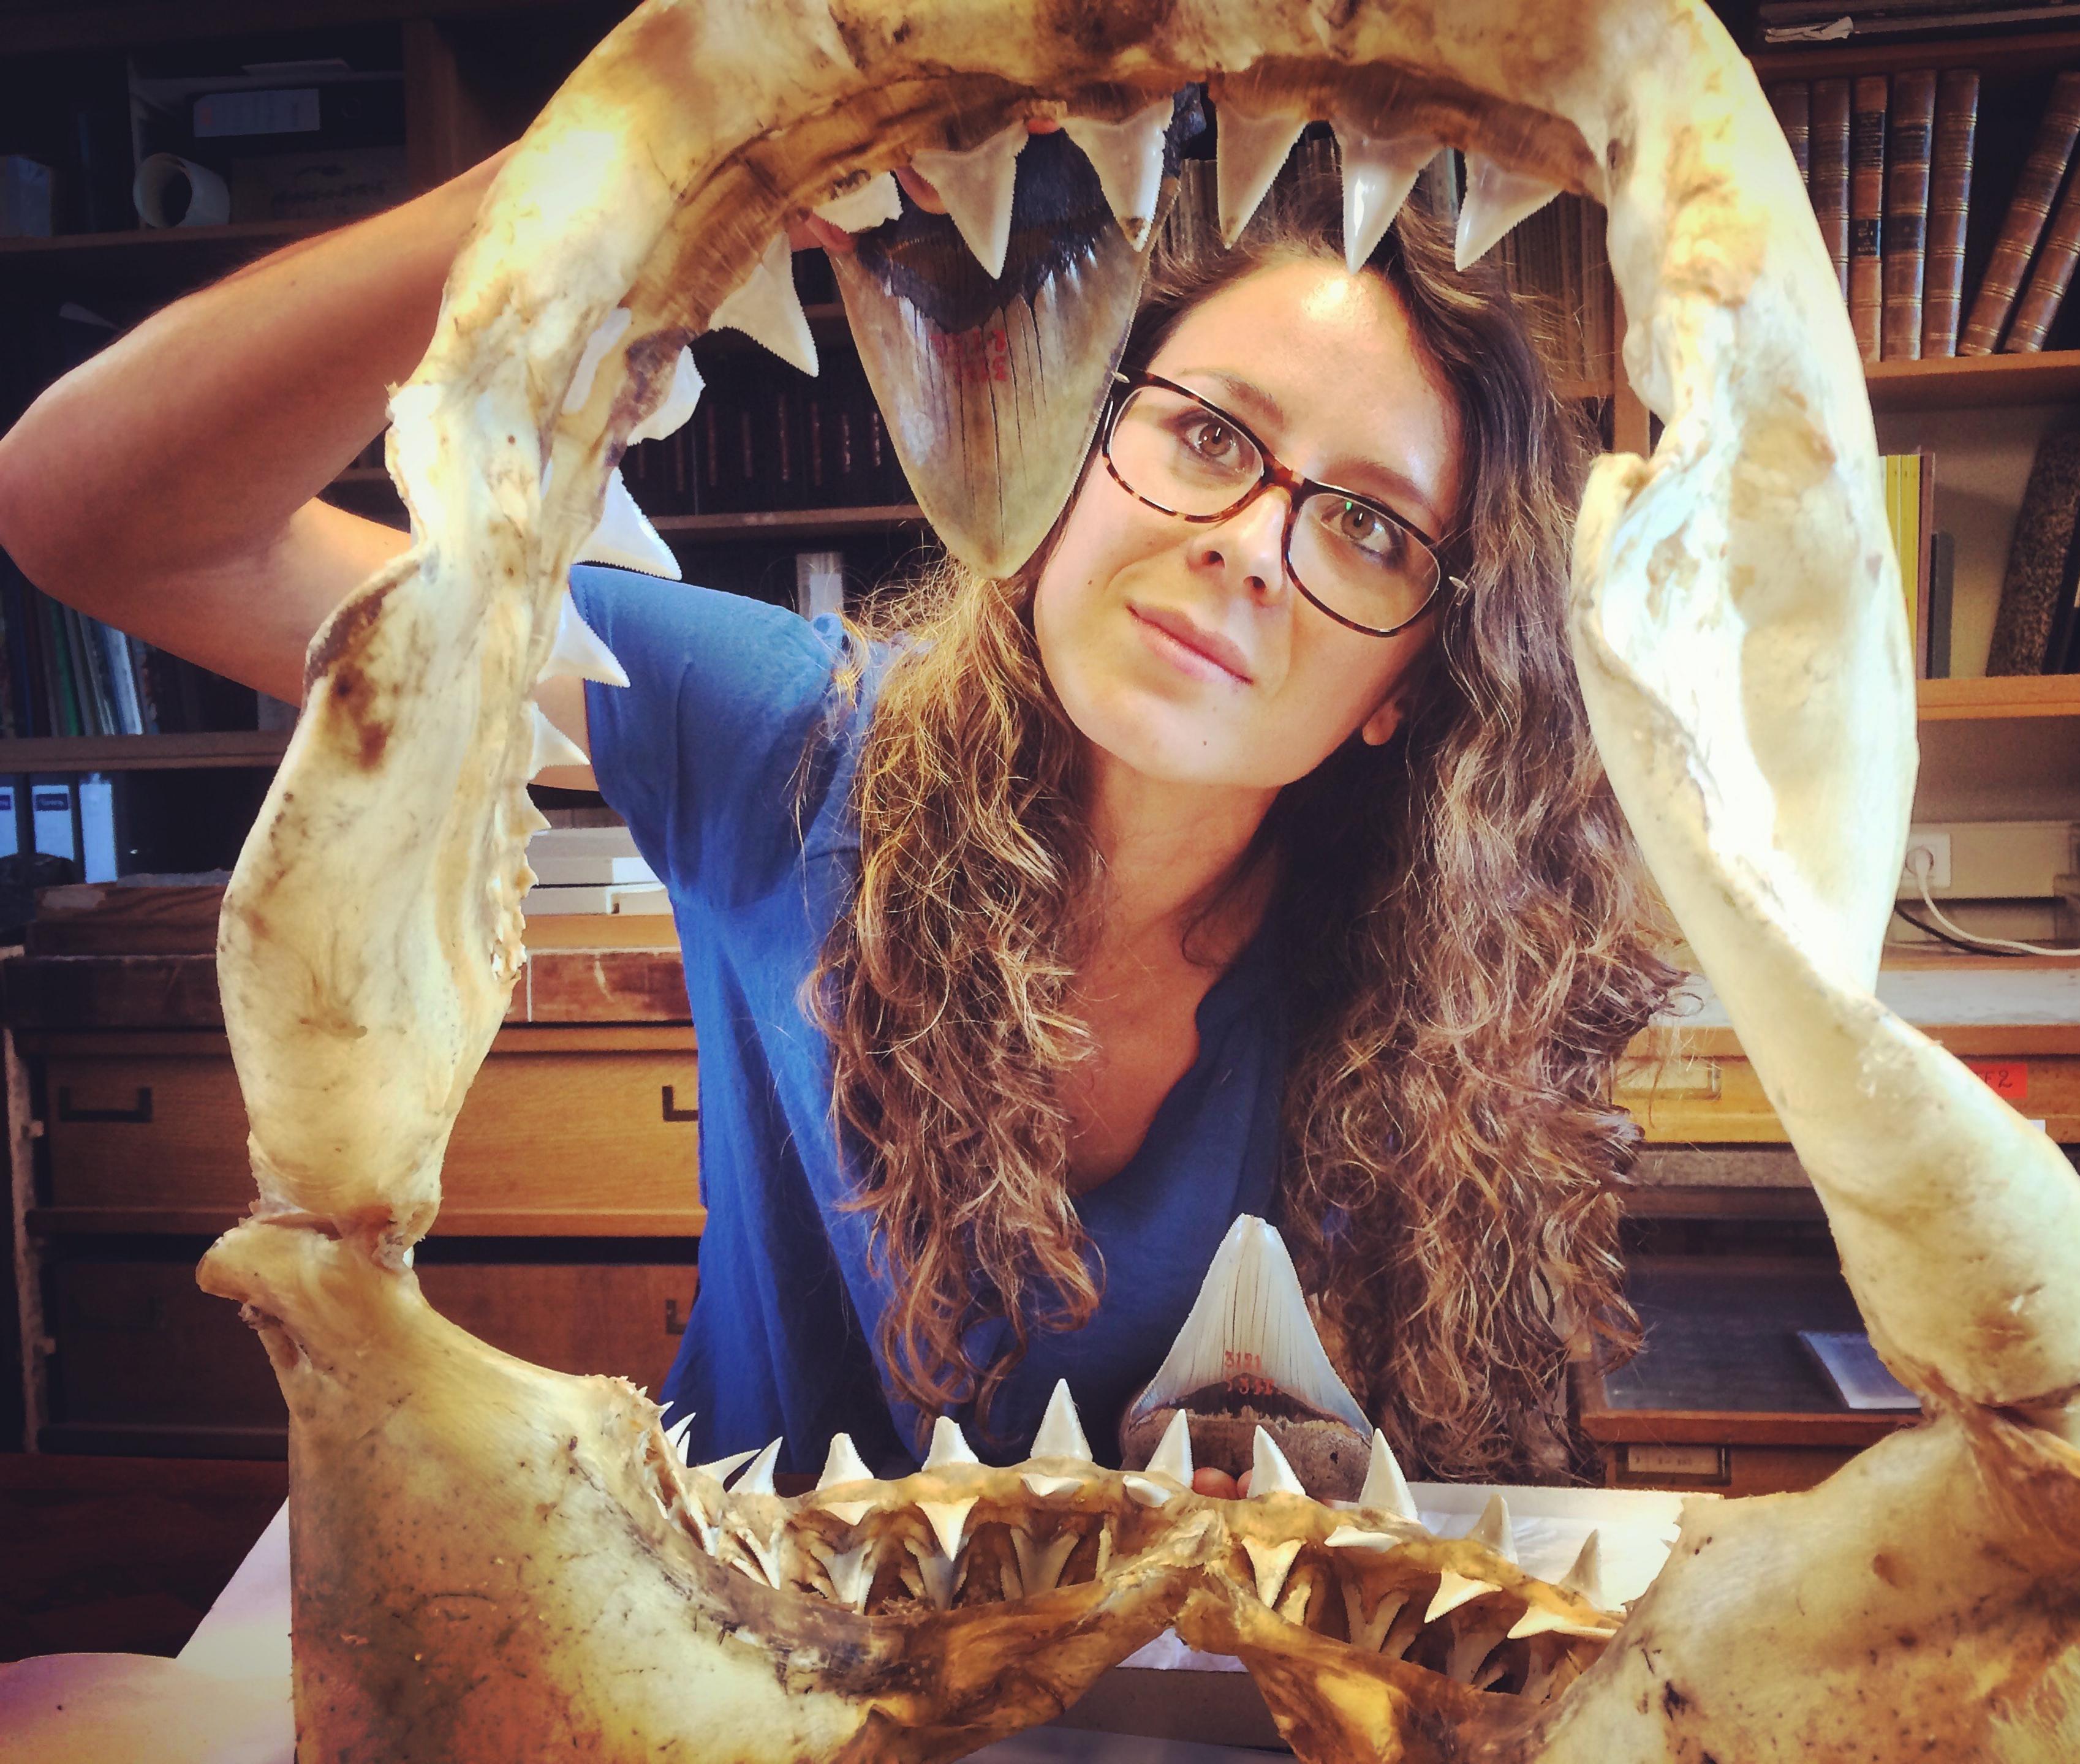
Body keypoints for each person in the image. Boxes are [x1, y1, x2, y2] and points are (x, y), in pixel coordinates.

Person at [0, 142, 1676, 1490]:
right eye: (1206, 432)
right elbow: (108, 523)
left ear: (1406, 678)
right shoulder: (793, 746)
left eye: (1371, 527)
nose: (1250, 538)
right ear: (1059, 452)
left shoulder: (1450, 976)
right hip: (734, 1669)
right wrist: (610, 170)